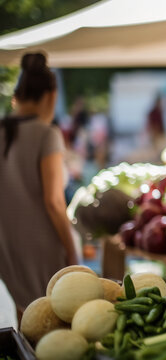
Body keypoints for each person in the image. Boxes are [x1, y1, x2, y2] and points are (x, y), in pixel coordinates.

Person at [0, 52, 78, 312]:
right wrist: (71, 251)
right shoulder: (47, 134)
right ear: (50, 96)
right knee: (52, 318)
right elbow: (54, 201)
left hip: (7, 245)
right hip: (42, 244)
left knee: (27, 318)